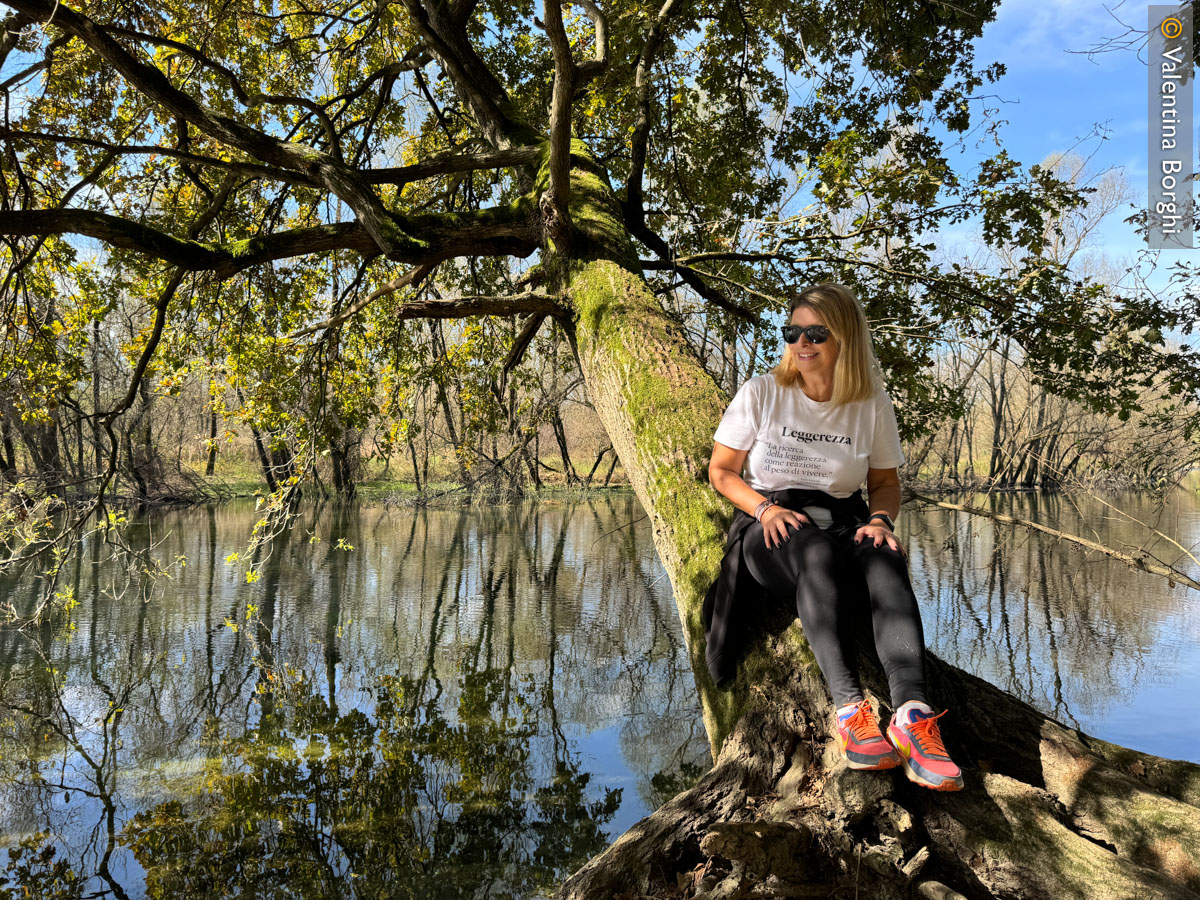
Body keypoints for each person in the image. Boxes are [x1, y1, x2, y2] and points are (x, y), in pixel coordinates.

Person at [705, 283, 963, 792]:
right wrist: (763, 508)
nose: (802, 342)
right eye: (793, 331)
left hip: (847, 522)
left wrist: (881, 520)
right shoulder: (761, 392)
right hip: (771, 529)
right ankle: (851, 709)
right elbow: (720, 471)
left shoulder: (869, 404)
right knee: (815, 550)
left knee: (884, 556)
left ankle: (913, 716)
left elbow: (885, 484)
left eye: (816, 332)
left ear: (844, 337)